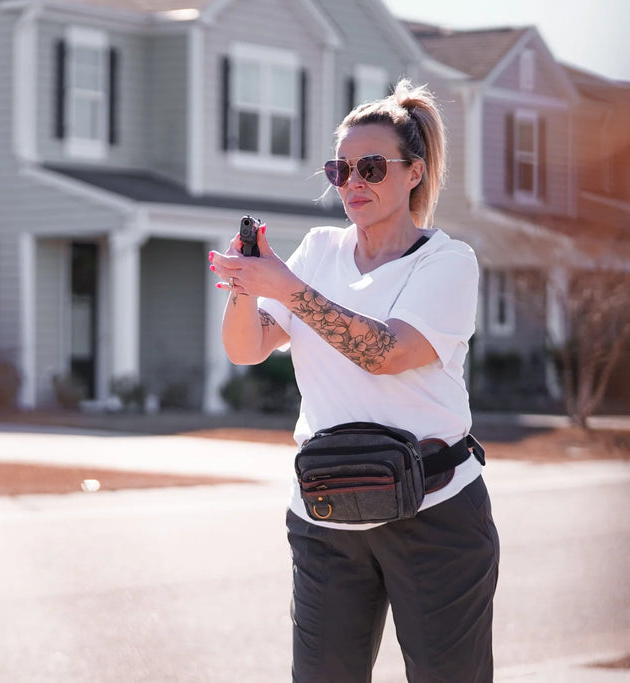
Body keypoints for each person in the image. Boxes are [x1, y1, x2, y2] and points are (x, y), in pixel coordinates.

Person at [208, 79, 500, 682]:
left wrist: (285, 286)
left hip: (435, 512)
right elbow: (247, 348)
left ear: (414, 173)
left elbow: (385, 351)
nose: (352, 183)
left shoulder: (446, 262)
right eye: (339, 169)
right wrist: (246, 286)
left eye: (371, 167)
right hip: (326, 512)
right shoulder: (318, 251)